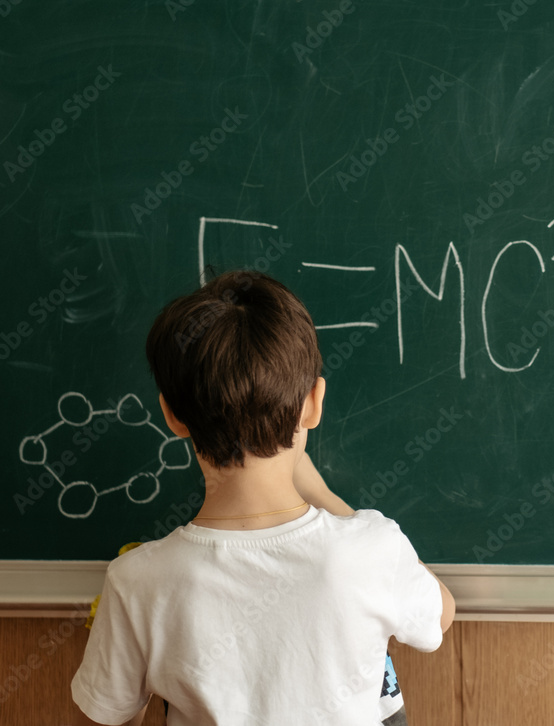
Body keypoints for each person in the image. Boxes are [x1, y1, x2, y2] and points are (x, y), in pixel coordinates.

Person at [71, 270, 455, 725]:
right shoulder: (371, 551)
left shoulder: (137, 581)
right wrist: (320, 491)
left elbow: (104, 719)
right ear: (314, 403)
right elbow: (440, 613)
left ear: (172, 415)